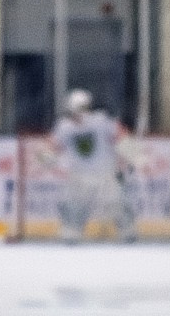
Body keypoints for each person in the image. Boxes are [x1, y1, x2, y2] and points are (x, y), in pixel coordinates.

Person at [52, 88, 139, 242]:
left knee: (115, 202)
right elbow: (54, 146)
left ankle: (128, 230)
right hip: (78, 175)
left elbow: (119, 135)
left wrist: (135, 157)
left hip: (105, 173)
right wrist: (44, 159)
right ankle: (71, 231)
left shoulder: (100, 121)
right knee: (73, 204)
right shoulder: (64, 127)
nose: (80, 113)